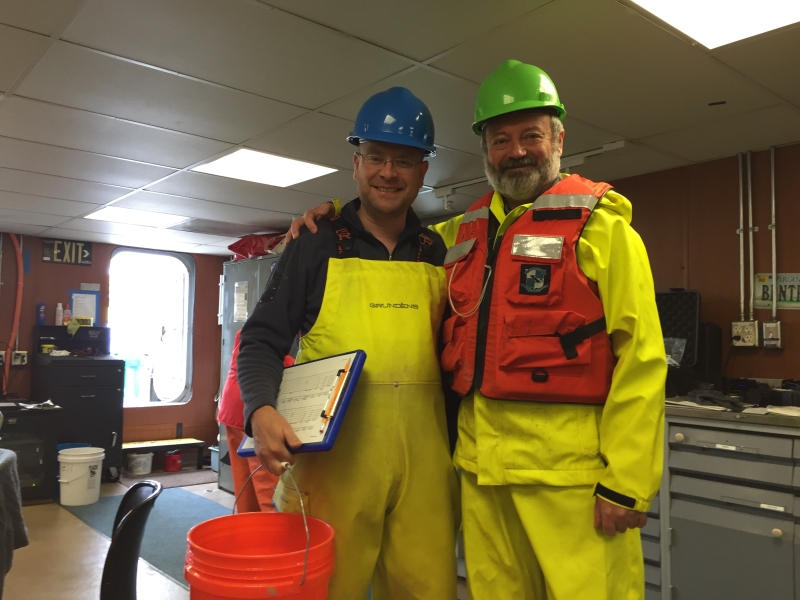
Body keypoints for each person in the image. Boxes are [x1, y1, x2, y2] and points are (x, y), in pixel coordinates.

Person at [290, 60, 666, 600]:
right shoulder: (458, 237)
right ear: (485, 150)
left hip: (571, 483)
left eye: (530, 136)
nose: (515, 151)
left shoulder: (603, 231)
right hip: (481, 477)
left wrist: (626, 484)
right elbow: (389, 232)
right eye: (500, 140)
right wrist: (332, 219)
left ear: (558, 138)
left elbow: (644, 359)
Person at [237, 87, 460, 600]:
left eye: (404, 161)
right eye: (377, 157)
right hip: (332, 471)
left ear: (423, 171)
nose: (389, 172)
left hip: (426, 473)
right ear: (356, 162)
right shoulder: (316, 240)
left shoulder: (438, 251)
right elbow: (261, 339)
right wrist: (260, 409)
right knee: (323, 591)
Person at [216, 329, 281, 513]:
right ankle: (272, 536)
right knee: (268, 490)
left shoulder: (254, 326)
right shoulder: (282, 329)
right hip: (255, 410)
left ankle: (250, 533)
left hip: (234, 406)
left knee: (246, 486)